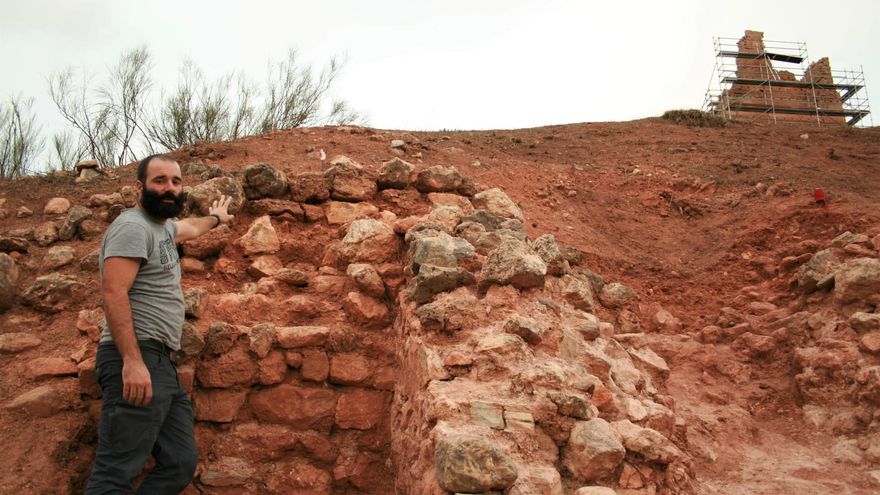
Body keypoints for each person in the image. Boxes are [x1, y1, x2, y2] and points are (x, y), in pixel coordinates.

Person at [85, 154, 233, 494]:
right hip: (137, 355)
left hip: (162, 362)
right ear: (139, 187)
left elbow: (191, 228)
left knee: (179, 462)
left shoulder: (162, 227)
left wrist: (216, 217)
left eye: (176, 182)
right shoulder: (132, 227)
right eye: (160, 181)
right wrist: (133, 362)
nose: (169, 188)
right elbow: (113, 291)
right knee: (114, 473)